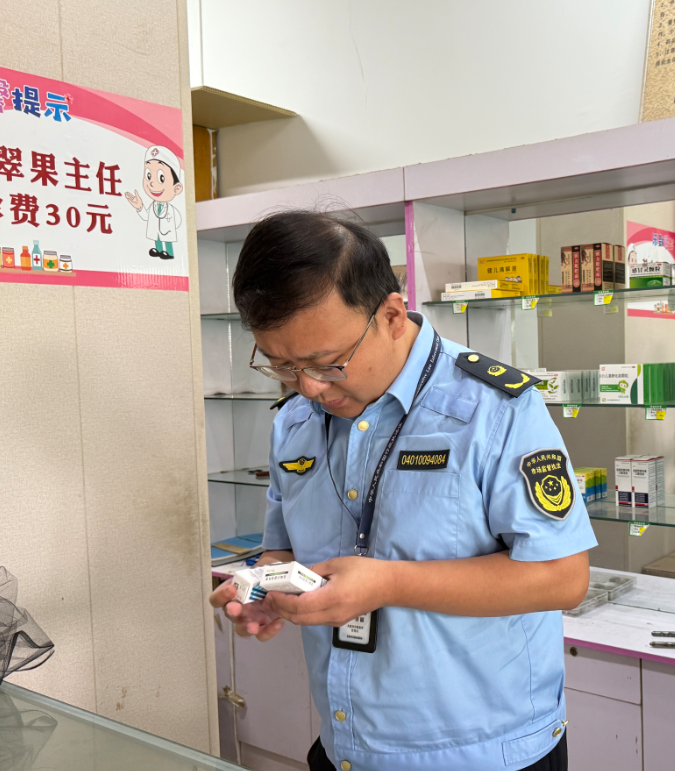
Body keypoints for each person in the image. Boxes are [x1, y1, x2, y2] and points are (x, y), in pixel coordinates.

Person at [209, 211, 596, 771]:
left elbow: (563, 577)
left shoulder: (493, 408)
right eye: (283, 367)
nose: (311, 387)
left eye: (327, 363)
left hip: (483, 756)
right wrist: (265, 587)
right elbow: (284, 550)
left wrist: (386, 582)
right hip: (348, 749)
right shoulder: (294, 421)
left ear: (390, 315)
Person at [124, 145, 184, 259]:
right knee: (157, 238)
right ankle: (159, 250)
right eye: (148, 175)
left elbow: (179, 221)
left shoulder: (170, 208)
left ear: (177, 188)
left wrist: (171, 224)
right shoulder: (153, 205)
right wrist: (140, 207)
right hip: (156, 229)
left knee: (167, 239)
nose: (152, 183)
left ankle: (169, 253)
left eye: (161, 178)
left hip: (167, 230)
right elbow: (147, 216)